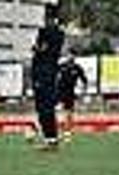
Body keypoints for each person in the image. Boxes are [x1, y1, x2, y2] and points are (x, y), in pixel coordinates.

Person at [30, 10, 65, 151]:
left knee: (42, 108)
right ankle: (52, 139)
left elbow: (42, 48)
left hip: (42, 73)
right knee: (49, 108)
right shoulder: (61, 34)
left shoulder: (44, 32)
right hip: (52, 73)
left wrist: (36, 49)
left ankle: (48, 139)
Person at [57, 54, 88, 142]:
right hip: (60, 91)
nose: (70, 57)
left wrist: (83, 90)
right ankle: (61, 130)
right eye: (69, 55)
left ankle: (68, 130)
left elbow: (84, 79)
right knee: (60, 111)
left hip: (70, 92)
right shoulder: (62, 66)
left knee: (69, 111)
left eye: (72, 56)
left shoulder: (77, 68)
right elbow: (54, 74)